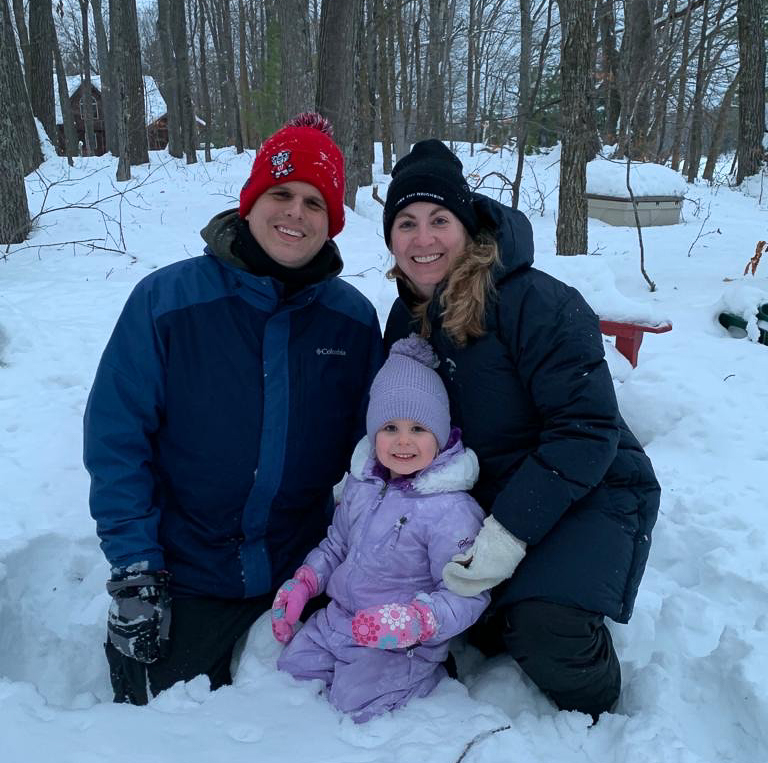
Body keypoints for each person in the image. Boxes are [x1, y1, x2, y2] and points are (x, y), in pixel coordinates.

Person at [83, 113, 383, 705]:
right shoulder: (166, 302)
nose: (295, 212)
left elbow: (370, 455)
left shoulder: (351, 321)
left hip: (304, 569)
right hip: (188, 569)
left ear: (334, 223)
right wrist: (136, 567)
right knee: (161, 721)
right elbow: (118, 438)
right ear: (250, 202)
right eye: (281, 193)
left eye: (314, 203)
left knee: (335, 729)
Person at [381, 140, 661, 721]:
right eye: (406, 223)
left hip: (589, 488)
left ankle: (601, 710)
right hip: (478, 500)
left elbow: (585, 430)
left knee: (542, 627)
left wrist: (507, 534)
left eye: (439, 219)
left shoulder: (540, 304)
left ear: (468, 225)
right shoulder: (405, 318)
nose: (423, 238)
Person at [272, 334, 488, 722]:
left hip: (400, 642)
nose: (403, 441)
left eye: (418, 429)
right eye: (390, 427)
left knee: (355, 706)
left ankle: (424, 679)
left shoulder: (451, 509)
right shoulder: (363, 484)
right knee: (289, 677)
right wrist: (306, 582)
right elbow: (337, 543)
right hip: (338, 620)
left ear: (439, 434)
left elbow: (468, 591)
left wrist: (418, 622)